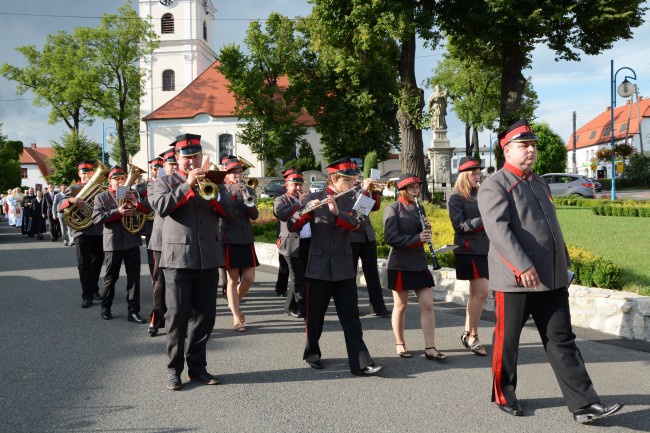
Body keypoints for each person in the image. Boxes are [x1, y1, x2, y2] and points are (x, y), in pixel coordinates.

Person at [477, 119, 623, 422]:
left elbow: (550, 227)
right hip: (515, 281)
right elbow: (498, 231)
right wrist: (523, 265)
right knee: (508, 341)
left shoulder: (539, 181)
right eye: (524, 145)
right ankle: (504, 393)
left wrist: (563, 261)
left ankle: (584, 404)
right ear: (507, 149)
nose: (531, 150)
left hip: (551, 279)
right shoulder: (496, 184)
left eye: (533, 145)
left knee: (562, 340)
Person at [152, 133, 236, 391]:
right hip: (177, 260)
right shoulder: (163, 182)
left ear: (202, 157)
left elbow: (230, 213)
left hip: (208, 258)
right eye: (186, 158)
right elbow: (161, 207)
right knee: (177, 317)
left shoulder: (214, 182)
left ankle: (197, 367)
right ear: (177, 159)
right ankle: (174, 370)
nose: (191, 161)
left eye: (195, 157)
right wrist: (187, 185)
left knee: (206, 317)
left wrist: (217, 191)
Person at [288, 157, 383, 376]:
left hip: (343, 265)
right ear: (334, 178)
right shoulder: (313, 197)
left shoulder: (357, 198)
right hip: (318, 266)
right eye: (348, 179)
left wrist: (340, 214)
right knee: (315, 316)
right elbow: (293, 224)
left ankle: (361, 362)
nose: (353, 182)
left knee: (351, 317)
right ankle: (312, 353)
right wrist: (307, 212)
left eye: (354, 179)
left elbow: (359, 224)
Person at [383, 173, 446, 361]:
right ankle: (400, 344)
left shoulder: (421, 208)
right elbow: (390, 238)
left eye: (417, 187)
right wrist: (417, 238)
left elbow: (421, 235)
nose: (416, 191)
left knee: (427, 305)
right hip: (400, 263)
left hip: (418, 262)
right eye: (412, 188)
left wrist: (426, 230)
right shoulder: (392, 209)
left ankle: (430, 347)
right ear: (402, 190)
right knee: (401, 306)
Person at [92, 166, 147, 323]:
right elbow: (97, 218)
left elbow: (145, 211)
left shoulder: (132, 194)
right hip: (113, 243)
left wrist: (136, 203)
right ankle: (106, 307)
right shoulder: (101, 197)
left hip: (132, 241)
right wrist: (118, 212)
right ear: (110, 181)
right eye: (116, 179)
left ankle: (133, 311)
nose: (120, 181)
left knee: (134, 278)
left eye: (122, 178)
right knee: (111, 278)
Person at [447, 157, 489, 357]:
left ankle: (468, 334)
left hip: (483, 249)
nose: (477, 175)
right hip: (467, 249)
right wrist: (484, 219)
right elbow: (459, 225)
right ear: (464, 175)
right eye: (473, 173)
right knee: (482, 291)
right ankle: (472, 335)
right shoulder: (456, 197)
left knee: (476, 293)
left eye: (478, 172)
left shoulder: (481, 193)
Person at [220, 155, 259, 332]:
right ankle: (236, 316)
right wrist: (233, 195)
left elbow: (255, 216)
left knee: (249, 279)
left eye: (239, 172)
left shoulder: (249, 190)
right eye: (233, 173)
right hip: (229, 238)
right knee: (232, 280)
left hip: (246, 238)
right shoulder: (222, 190)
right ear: (226, 175)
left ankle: (234, 303)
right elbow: (225, 214)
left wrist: (248, 201)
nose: (237, 176)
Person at [59, 161, 105, 308]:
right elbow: (60, 206)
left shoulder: (99, 189)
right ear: (79, 174)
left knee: (97, 262)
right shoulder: (73, 188)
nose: (86, 175)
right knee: (83, 264)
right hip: (81, 231)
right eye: (83, 173)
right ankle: (87, 295)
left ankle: (94, 288)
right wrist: (71, 200)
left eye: (88, 173)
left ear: (92, 173)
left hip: (98, 230)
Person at [348, 177, 391, 318]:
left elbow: (371, 208)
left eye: (356, 176)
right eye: (352, 177)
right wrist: (364, 190)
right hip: (352, 237)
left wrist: (373, 192)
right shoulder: (345, 193)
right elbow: (354, 209)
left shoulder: (361, 191)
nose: (356, 179)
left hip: (367, 236)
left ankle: (378, 307)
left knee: (372, 273)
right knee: (351, 274)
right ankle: (351, 307)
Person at [147, 149, 178, 337]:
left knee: (179, 284)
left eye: (176, 163)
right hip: (161, 240)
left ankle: (180, 319)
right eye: (170, 164)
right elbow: (159, 207)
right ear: (164, 166)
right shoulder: (156, 184)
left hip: (182, 240)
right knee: (160, 282)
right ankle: (156, 318)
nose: (173, 167)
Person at [273, 170, 310, 318]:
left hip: (308, 241)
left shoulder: (306, 198)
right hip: (290, 244)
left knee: (304, 277)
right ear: (287, 185)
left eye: (300, 185)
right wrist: (300, 203)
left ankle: (290, 306)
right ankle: (302, 309)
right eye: (295, 185)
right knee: (297, 277)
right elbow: (281, 214)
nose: (298, 188)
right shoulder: (281, 199)